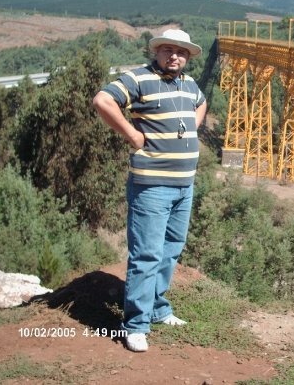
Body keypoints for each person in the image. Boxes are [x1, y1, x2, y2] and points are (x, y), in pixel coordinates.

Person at [93, 29, 206, 352]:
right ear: (156, 52)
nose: (175, 56)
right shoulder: (139, 78)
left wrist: (192, 126)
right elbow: (103, 100)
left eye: (181, 52)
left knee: (171, 249)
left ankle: (157, 309)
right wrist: (132, 135)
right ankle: (135, 325)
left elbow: (202, 103)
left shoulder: (189, 83)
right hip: (151, 186)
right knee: (146, 254)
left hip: (185, 185)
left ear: (187, 56)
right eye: (168, 50)